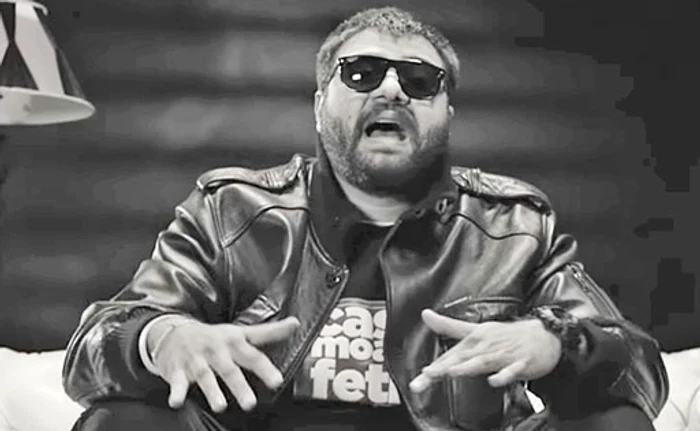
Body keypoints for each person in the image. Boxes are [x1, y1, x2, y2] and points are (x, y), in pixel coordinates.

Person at [62, 6, 668, 431]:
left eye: (420, 80)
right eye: (362, 73)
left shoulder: (514, 227)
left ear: (447, 113)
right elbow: (92, 349)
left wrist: (557, 342)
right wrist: (159, 338)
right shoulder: (232, 211)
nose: (392, 90)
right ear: (319, 104)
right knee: (122, 420)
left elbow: (641, 370)